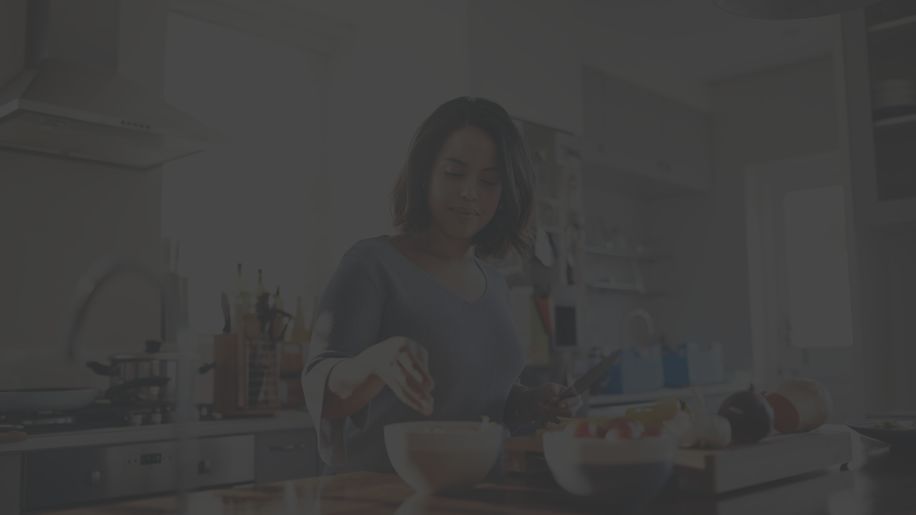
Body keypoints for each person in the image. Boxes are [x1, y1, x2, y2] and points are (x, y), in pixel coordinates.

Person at [301, 96, 578, 474]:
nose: (469, 192)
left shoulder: (495, 284)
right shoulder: (371, 264)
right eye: (454, 172)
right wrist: (374, 363)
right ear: (425, 172)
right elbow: (320, 388)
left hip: (476, 497)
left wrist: (529, 402)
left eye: (489, 181)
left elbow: (478, 399)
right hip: (386, 499)